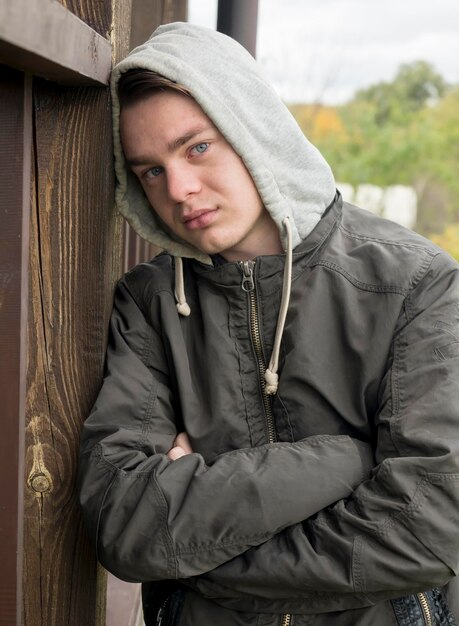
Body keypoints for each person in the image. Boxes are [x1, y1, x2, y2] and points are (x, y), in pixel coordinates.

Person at [78, 22, 459, 626]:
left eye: (196, 147)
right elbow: (125, 522)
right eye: (150, 170)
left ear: (251, 127)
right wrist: (344, 462)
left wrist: (198, 550)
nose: (178, 189)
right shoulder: (148, 304)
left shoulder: (417, 284)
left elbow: (432, 525)